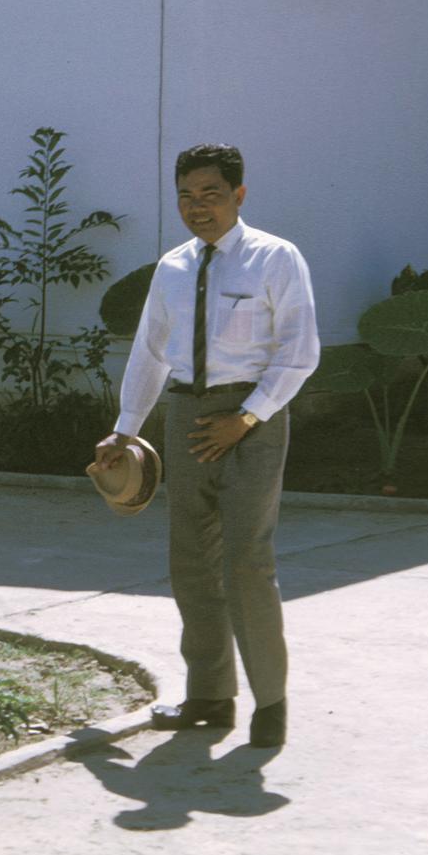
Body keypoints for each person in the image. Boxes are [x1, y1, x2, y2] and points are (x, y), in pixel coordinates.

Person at [95, 143, 319, 748]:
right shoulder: (172, 268)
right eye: (186, 196)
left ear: (239, 195)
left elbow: (299, 352)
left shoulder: (275, 258)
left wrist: (245, 419)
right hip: (188, 415)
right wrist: (125, 427)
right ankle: (210, 696)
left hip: (254, 418)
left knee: (248, 562)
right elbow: (150, 350)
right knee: (191, 561)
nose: (198, 207)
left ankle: (270, 703)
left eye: (211, 194)